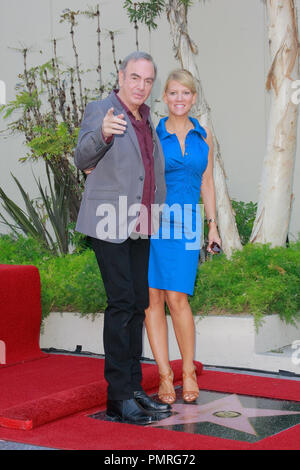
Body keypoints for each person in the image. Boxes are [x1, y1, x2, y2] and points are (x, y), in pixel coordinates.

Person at [74, 51, 169, 425]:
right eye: (135, 78)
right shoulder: (102, 110)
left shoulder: (148, 119)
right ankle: (118, 398)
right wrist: (101, 135)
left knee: (138, 303)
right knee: (121, 303)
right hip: (108, 223)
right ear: (121, 76)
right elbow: (81, 158)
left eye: (147, 81)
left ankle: (134, 390)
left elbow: (150, 172)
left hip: (142, 223)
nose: (141, 86)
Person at [146, 69, 221, 404]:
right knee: (152, 302)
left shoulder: (204, 137)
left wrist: (213, 225)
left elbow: (207, 183)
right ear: (164, 97)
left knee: (178, 299)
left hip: (188, 223)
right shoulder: (152, 133)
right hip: (152, 221)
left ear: (194, 97)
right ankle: (164, 375)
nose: (179, 99)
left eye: (186, 93)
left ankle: (187, 371)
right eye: (173, 93)